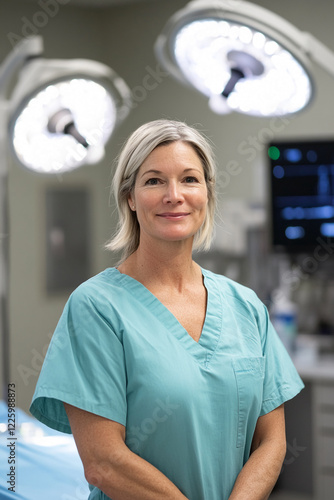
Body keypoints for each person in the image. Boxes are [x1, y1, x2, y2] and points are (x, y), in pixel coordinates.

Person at [30, 119, 304, 500]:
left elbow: (272, 442)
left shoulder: (246, 307)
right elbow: (103, 462)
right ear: (130, 196)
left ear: (207, 193)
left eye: (189, 179)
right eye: (154, 180)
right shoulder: (97, 308)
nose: (174, 195)